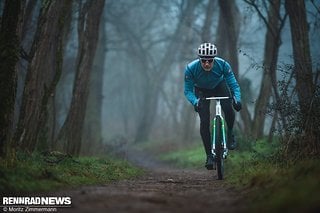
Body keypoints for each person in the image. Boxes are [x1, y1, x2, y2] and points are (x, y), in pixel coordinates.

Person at [184, 42, 242, 170]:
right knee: (204, 121)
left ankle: (230, 133)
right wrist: (195, 101)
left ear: (214, 59)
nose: (206, 64)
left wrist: (237, 100)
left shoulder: (223, 65)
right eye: (203, 60)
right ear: (200, 59)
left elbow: (234, 85)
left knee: (228, 108)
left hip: (219, 86)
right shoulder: (190, 68)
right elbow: (187, 90)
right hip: (201, 90)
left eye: (210, 61)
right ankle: (209, 155)